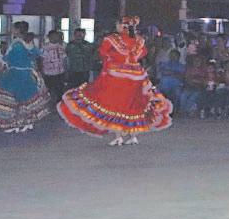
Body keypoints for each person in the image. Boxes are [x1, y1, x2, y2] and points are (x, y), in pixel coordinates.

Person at [58, 16, 173, 145]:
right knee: (134, 106)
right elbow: (142, 54)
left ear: (122, 26)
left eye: (118, 24)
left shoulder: (111, 39)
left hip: (117, 76)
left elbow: (103, 53)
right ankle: (133, 136)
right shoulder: (139, 40)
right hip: (137, 76)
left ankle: (118, 136)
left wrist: (109, 63)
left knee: (115, 106)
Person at [0, 31, 52, 133]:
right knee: (26, 100)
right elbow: (39, 55)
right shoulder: (31, 47)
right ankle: (27, 122)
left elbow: (7, 58)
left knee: (10, 100)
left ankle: (13, 124)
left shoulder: (16, 45)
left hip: (14, 75)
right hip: (27, 75)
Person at [40, 30, 68, 104]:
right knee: (49, 89)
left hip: (60, 72)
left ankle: (58, 104)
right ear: (49, 37)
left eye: (56, 36)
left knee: (60, 89)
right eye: (52, 36)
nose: (54, 38)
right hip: (48, 73)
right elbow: (41, 59)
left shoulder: (61, 47)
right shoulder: (45, 47)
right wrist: (41, 71)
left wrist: (66, 70)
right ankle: (48, 103)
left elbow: (64, 59)